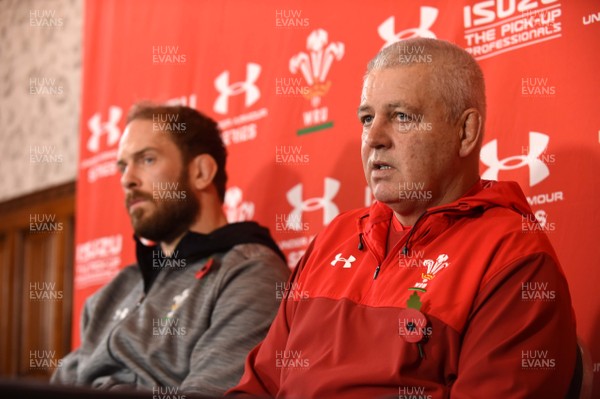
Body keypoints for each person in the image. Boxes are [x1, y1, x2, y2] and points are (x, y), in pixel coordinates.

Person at [227, 38, 578, 398]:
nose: (374, 138)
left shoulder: (513, 257)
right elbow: (258, 387)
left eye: (402, 116)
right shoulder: (333, 238)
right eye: (367, 118)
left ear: (465, 132)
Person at [51, 103, 290, 397]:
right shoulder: (115, 290)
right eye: (123, 166)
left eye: (147, 160)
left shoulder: (250, 272)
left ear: (201, 172)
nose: (128, 179)